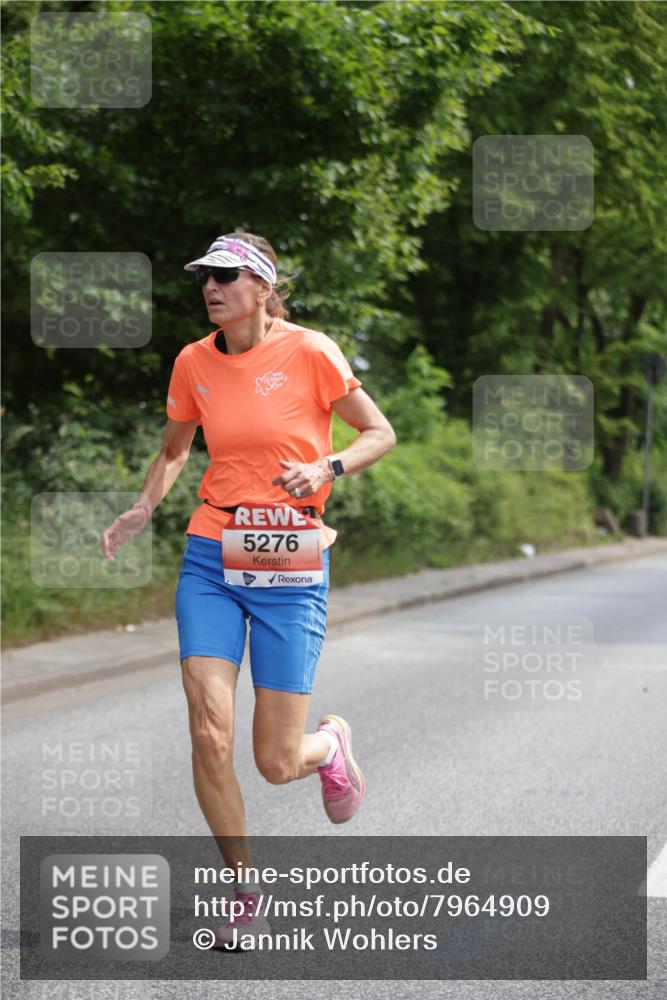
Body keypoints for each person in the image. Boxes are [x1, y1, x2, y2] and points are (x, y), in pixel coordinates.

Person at [101, 232, 396, 945]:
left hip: (290, 556)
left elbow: (378, 433)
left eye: (228, 276)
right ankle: (245, 894)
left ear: (263, 288)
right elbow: (174, 449)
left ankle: (328, 746)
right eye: (206, 277)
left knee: (273, 761)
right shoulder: (193, 361)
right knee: (208, 732)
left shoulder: (311, 351)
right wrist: (145, 504)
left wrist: (327, 466)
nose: (212, 287)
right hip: (212, 549)